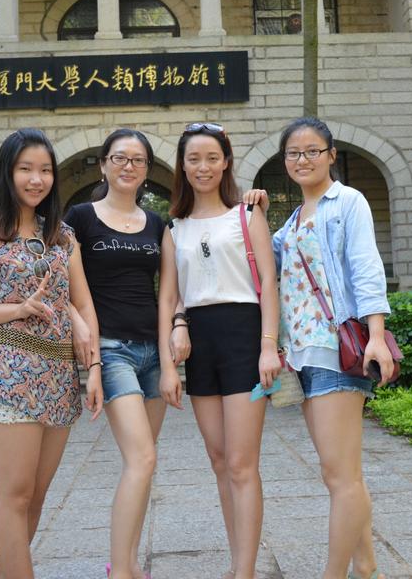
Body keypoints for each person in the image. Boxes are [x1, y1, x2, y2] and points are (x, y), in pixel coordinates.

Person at [0, 128, 103, 579]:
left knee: (35, 496)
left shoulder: (62, 236)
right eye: (26, 169)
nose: (37, 179)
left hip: (59, 373)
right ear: (7, 172)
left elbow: (83, 303)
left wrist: (94, 367)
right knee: (14, 494)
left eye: (45, 170)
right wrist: (17, 308)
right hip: (9, 369)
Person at [256, 116, 394, 579]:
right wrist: (255, 211)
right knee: (340, 473)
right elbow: (263, 262)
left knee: (341, 476)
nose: (303, 159)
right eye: (293, 153)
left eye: (312, 150)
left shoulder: (347, 202)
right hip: (303, 356)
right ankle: (366, 565)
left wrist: (377, 337)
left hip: (337, 351)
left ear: (331, 155)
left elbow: (366, 267)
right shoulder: (293, 220)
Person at [158, 122, 281, 579]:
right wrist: (177, 328)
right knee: (219, 461)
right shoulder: (174, 228)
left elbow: (268, 281)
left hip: (244, 337)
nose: (203, 167)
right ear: (182, 165)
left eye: (212, 158)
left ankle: (245, 571)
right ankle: (236, 562)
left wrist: (268, 346)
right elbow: (172, 294)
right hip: (200, 343)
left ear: (226, 162)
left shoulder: (247, 215)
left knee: (243, 463)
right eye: (194, 159)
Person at [65, 129, 169, 579]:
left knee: (142, 464)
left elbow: (169, 292)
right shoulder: (80, 218)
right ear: (104, 164)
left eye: (138, 160)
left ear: (147, 170)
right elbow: (62, 282)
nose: (129, 166)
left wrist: (170, 356)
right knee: (142, 459)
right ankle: (122, 572)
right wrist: (84, 341)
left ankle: (125, 563)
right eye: (120, 158)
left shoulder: (157, 224)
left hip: (153, 354)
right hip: (111, 350)